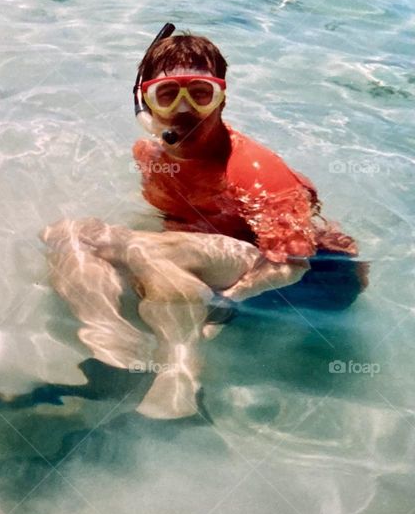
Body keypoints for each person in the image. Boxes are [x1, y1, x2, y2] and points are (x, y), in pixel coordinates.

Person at [130, 24, 366, 307]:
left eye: (200, 93)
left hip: (322, 277)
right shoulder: (149, 157)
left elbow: (292, 265)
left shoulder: (255, 174)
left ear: (222, 100)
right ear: (145, 104)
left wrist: (225, 301)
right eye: (167, 94)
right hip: (231, 252)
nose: (185, 108)